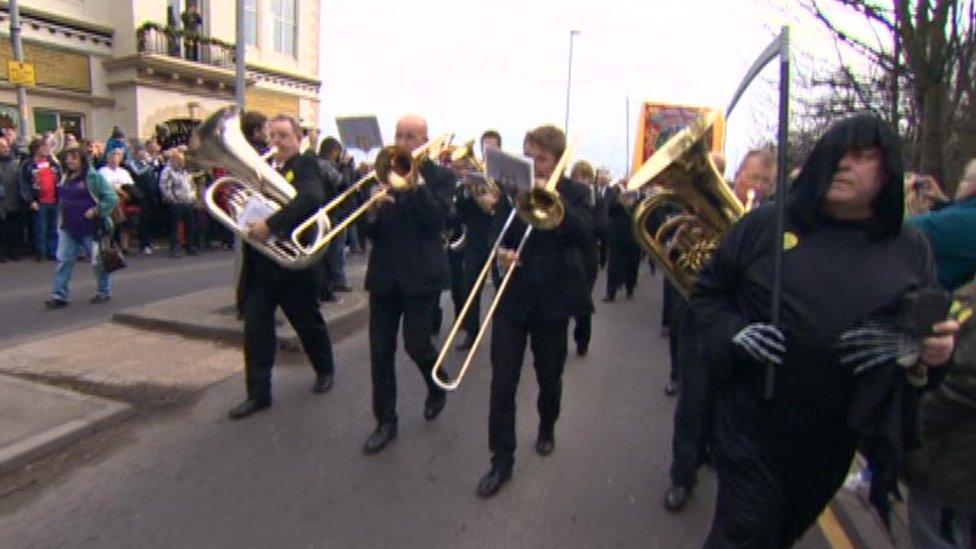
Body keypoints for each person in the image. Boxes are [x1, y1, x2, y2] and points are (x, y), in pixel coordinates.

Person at [692, 114, 958, 546]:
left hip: (834, 436)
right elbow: (707, 296)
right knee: (744, 531)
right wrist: (734, 333)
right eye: (836, 152)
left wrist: (929, 357)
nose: (843, 163)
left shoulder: (911, 250)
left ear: (888, 169)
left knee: (780, 531)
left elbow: (922, 350)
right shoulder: (764, 226)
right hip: (751, 423)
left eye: (862, 155)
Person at [475, 124, 594, 498]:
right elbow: (499, 232)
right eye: (529, 155)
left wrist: (555, 198)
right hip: (513, 299)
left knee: (549, 376)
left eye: (540, 158)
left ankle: (546, 425)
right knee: (502, 384)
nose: (533, 164)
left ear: (557, 161)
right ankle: (501, 461)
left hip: (552, 303)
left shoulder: (575, 192)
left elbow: (588, 234)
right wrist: (502, 254)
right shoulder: (514, 188)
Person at [227, 114, 338, 419]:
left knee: (307, 323)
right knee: (256, 331)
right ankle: (258, 394)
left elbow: (312, 198)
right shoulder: (261, 168)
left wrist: (271, 225)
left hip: (290, 265)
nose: (276, 142)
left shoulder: (305, 165)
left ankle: (325, 369)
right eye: (272, 135)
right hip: (260, 265)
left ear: (298, 138)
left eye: (283, 136)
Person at [360, 114, 454, 454]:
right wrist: (371, 210)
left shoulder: (441, 177)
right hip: (384, 276)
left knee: (416, 345)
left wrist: (416, 185)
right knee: (380, 352)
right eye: (399, 134)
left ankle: (436, 383)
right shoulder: (382, 174)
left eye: (411, 136)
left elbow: (437, 222)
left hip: (421, 276)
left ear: (426, 140)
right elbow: (367, 232)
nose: (403, 141)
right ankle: (385, 422)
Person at [44, 147, 118, 308]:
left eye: (74, 158)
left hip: (91, 228)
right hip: (68, 227)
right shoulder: (64, 177)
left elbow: (112, 197)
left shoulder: (93, 177)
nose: (69, 161)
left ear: (82, 160)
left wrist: (96, 210)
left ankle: (104, 290)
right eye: (67, 158)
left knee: (97, 261)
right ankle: (59, 295)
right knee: (64, 260)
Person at [906, 162, 976, 290]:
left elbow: (891, 233)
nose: (960, 183)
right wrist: (942, 205)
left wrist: (893, 194)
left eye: (965, 178)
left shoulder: (958, 221)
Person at [569, 159, 600, 356]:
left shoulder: (598, 199)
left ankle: (582, 339)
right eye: (577, 177)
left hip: (588, 257)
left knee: (583, 301)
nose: (581, 181)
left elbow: (602, 227)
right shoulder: (568, 198)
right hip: (570, 256)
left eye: (585, 177)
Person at [20, 137, 63, 261]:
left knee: (53, 227)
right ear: (36, 149)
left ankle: (53, 251)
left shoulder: (52, 163)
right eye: (44, 147)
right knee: (40, 228)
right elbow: (24, 184)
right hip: (39, 201)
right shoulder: (28, 165)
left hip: (53, 200)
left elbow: (59, 178)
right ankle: (41, 252)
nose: (47, 149)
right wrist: (30, 200)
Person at [603, 182, 641, 301]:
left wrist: (633, 203)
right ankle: (610, 293)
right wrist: (620, 200)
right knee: (613, 266)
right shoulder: (614, 194)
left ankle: (630, 288)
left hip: (633, 237)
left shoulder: (639, 196)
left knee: (632, 265)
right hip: (617, 237)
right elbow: (608, 209)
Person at [158, 151, 198, 257]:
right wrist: (171, 198)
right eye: (178, 160)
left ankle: (190, 246)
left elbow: (192, 185)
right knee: (175, 227)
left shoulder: (186, 172)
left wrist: (193, 196)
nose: (181, 162)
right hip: (176, 202)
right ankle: (174, 248)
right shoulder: (168, 171)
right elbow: (164, 185)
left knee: (190, 225)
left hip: (188, 201)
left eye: (182, 160)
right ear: (173, 160)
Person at [98, 148, 137, 253]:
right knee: (115, 211)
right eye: (113, 157)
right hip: (109, 200)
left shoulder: (124, 172)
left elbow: (130, 185)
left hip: (125, 199)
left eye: (118, 157)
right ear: (108, 159)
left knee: (128, 217)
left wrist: (123, 192)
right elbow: (104, 186)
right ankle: (109, 245)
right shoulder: (102, 171)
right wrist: (118, 190)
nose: (115, 159)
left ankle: (125, 245)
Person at [0, 139, 20, 262]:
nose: (5, 149)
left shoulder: (15, 163)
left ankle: (12, 252)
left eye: (5, 146)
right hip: (1, 203)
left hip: (12, 200)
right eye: (2, 147)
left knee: (13, 229)